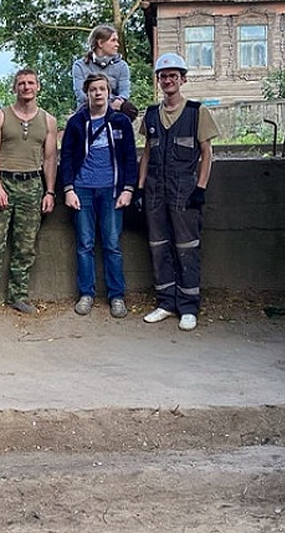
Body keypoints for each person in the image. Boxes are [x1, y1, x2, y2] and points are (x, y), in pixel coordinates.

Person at [137, 52, 219, 332]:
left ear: (182, 79)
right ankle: (166, 303)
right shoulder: (150, 115)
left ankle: (188, 306)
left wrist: (201, 188)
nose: (168, 80)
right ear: (158, 81)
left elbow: (207, 154)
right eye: (163, 76)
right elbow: (146, 154)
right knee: (158, 246)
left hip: (185, 190)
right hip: (155, 191)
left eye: (173, 75)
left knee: (187, 248)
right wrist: (140, 188)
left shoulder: (197, 112)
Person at [0, 68, 57, 316]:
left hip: (32, 185)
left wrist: (50, 192)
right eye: (21, 83)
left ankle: (18, 295)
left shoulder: (48, 121)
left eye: (31, 83)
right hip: (4, 183)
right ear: (14, 87)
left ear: (38, 87)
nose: (26, 87)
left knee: (25, 246)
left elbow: (50, 159)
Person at [61, 73, 138, 318]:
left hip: (112, 190)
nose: (98, 93)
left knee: (112, 244)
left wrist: (128, 189)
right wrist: (69, 188)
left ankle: (116, 295)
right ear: (87, 93)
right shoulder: (76, 123)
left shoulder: (120, 122)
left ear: (109, 92)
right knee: (84, 244)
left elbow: (129, 157)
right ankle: (86, 294)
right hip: (82, 189)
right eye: (93, 89)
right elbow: (67, 158)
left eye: (102, 89)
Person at [71, 24, 136, 117]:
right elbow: (81, 94)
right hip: (89, 104)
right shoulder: (80, 66)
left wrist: (118, 101)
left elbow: (124, 91)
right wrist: (101, 104)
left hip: (114, 106)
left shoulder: (122, 65)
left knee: (129, 109)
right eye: (113, 40)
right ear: (100, 43)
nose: (117, 44)